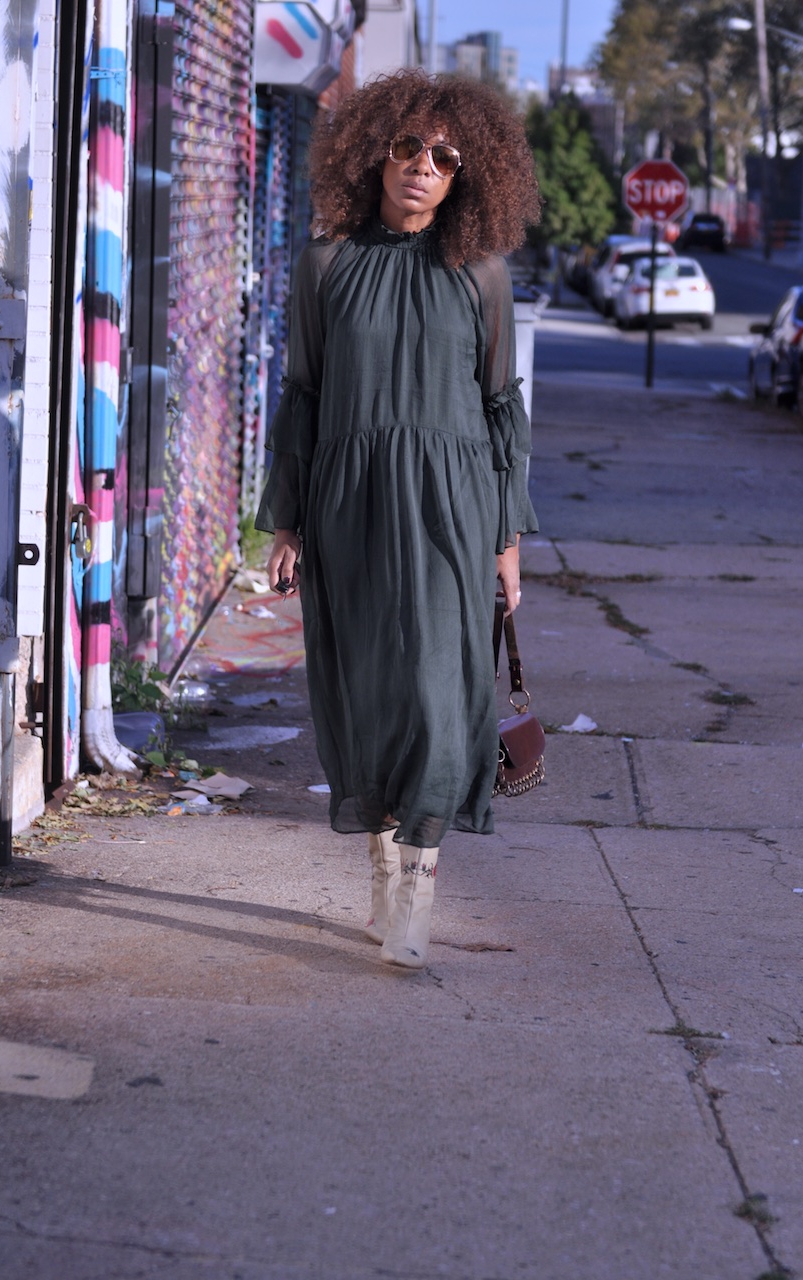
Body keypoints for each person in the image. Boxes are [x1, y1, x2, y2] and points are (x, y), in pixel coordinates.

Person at [255, 69, 540, 969]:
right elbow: (302, 396)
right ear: (373, 151)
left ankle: (417, 878)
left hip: (452, 511)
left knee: (438, 690)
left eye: (445, 157)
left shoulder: (480, 277)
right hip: (348, 505)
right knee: (367, 687)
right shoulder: (325, 266)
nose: (423, 166)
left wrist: (506, 537)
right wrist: (288, 522)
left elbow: (501, 411)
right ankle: (383, 858)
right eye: (408, 146)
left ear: (468, 176)